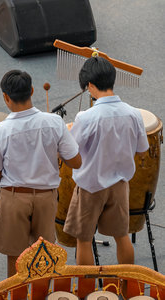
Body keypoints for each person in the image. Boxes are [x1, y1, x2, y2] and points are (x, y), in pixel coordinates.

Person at [0, 70, 82, 277]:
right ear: (32, 91)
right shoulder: (54, 122)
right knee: (43, 255)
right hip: (46, 197)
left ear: (5, 97)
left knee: (15, 256)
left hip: (14, 197)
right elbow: (76, 161)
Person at [63, 56, 149, 265]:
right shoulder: (133, 113)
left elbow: (71, 153)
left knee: (83, 240)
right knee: (122, 237)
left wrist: (69, 132)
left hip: (91, 188)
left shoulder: (87, 117)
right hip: (120, 185)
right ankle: (127, 288)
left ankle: (88, 293)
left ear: (90, 85)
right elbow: (142, 150)